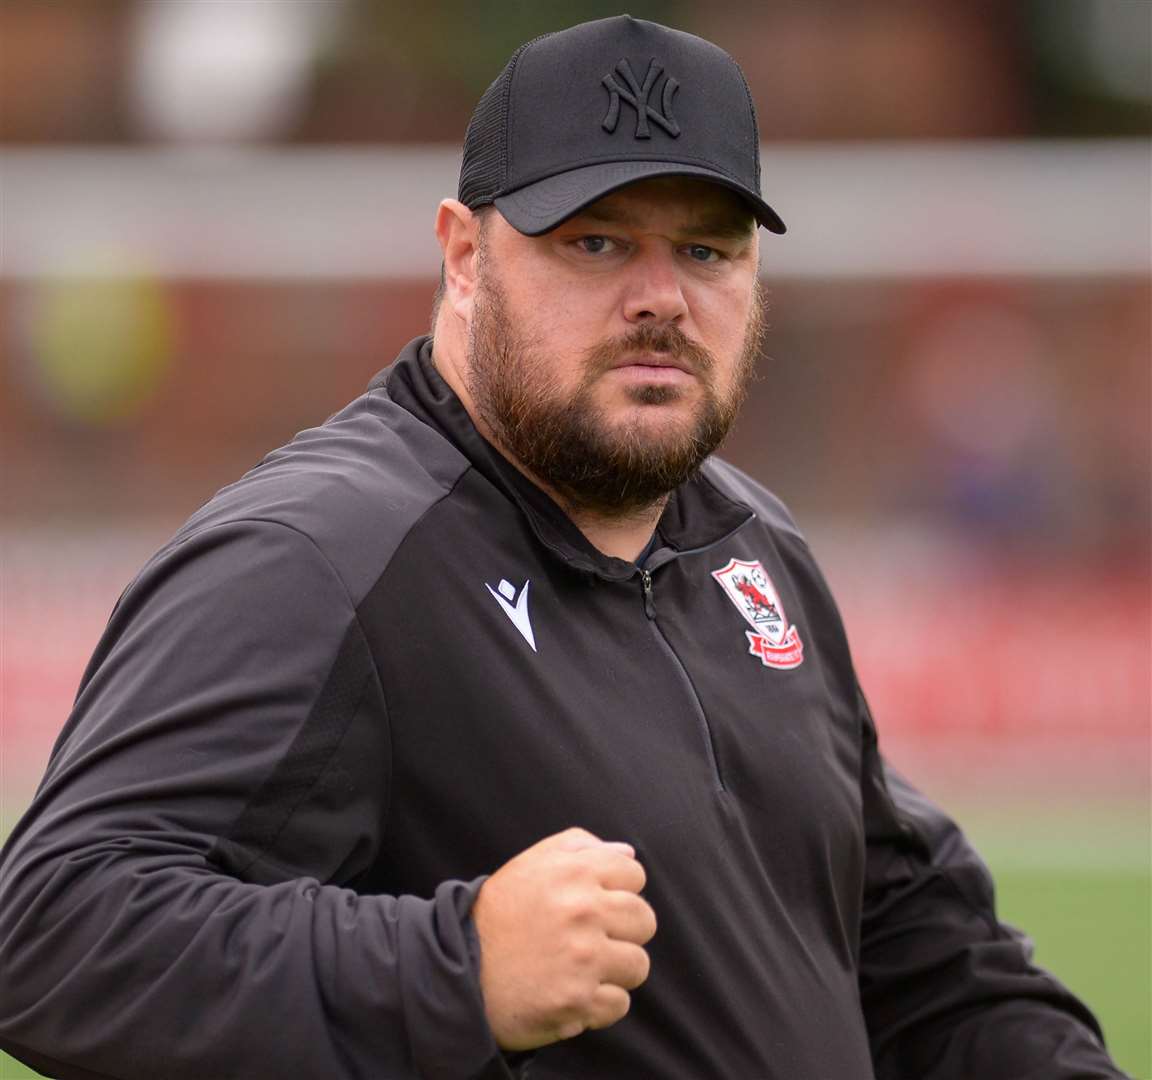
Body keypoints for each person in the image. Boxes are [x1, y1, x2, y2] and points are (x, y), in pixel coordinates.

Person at [0, 15, 1128, 1080]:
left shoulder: (750, 541)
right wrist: (459, 966)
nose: (661, 300)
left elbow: (914, 950)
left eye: (706, 250)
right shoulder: (324, 553)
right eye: (595, 242)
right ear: (462, 257)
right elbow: (52, 934)